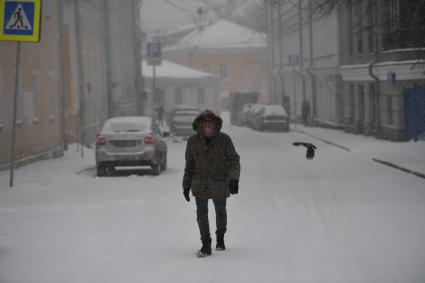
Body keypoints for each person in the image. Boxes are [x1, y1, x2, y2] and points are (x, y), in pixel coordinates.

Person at [182, 110, 240, 257]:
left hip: (220, 182)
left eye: (210, 122)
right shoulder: (193, 141)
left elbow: (234, 160)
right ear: (200, 124)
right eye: (205, 122)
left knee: (220, 212)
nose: (207, 125)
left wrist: (234, 179)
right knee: (201, 214)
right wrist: (186, 185)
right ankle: (206, 244)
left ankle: (220, 237)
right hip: (200, 183)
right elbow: (189, 165)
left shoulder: (224, 139)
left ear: (215, 124)